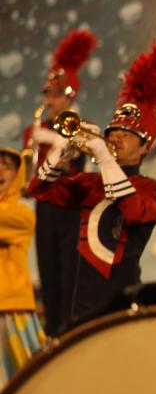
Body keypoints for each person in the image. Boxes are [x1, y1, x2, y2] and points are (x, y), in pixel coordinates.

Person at [29, 42, 156, 332]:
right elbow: (40, 190)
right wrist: (59, 152)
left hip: (122, 298)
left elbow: (133, 210)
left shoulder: (154, 190)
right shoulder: (90, 184)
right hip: (82, 302)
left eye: (127, 134)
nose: (116, 138)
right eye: (114, 131)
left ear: (145, 148)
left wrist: (102, 156)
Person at [22, 29, 96, 337]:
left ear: (70, 95)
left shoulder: (82, 126)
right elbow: (29, 176)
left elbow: (82, 164)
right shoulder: (35, 130)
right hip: (45, 207)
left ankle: (68, 333)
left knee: (70, 277)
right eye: (47, 93)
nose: (48, 100)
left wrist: (54, 139)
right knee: (49, 275)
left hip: (71, 208)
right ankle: (52, 331)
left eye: (54, 94)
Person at [0, 148, 44, 387]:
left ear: (17, 174)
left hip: (11, 311)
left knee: (22, 387)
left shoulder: (22, 214)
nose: (0, 170)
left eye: (6, 165)